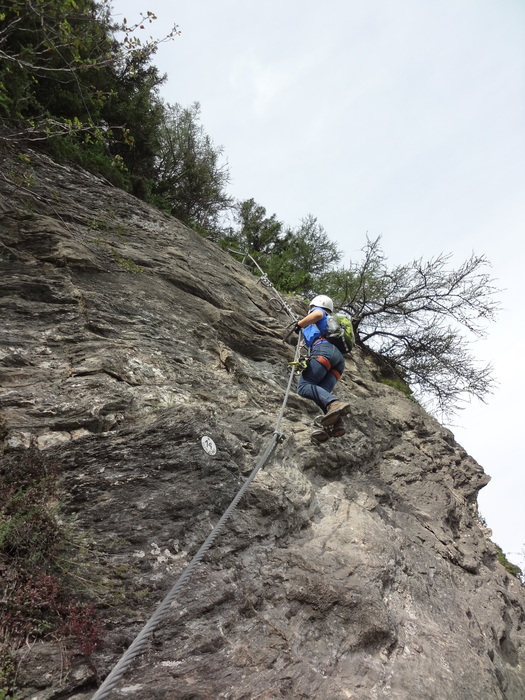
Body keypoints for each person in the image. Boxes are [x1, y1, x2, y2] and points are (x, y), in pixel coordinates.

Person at [294, 295, 351, 444]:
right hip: (338, 361)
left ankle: (335, 404)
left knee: (304, 387)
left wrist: (299, 324)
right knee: (321, 395)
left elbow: (317, 314)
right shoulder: (325, 325)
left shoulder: (319, 312)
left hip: (324, 350)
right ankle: (332, 425)